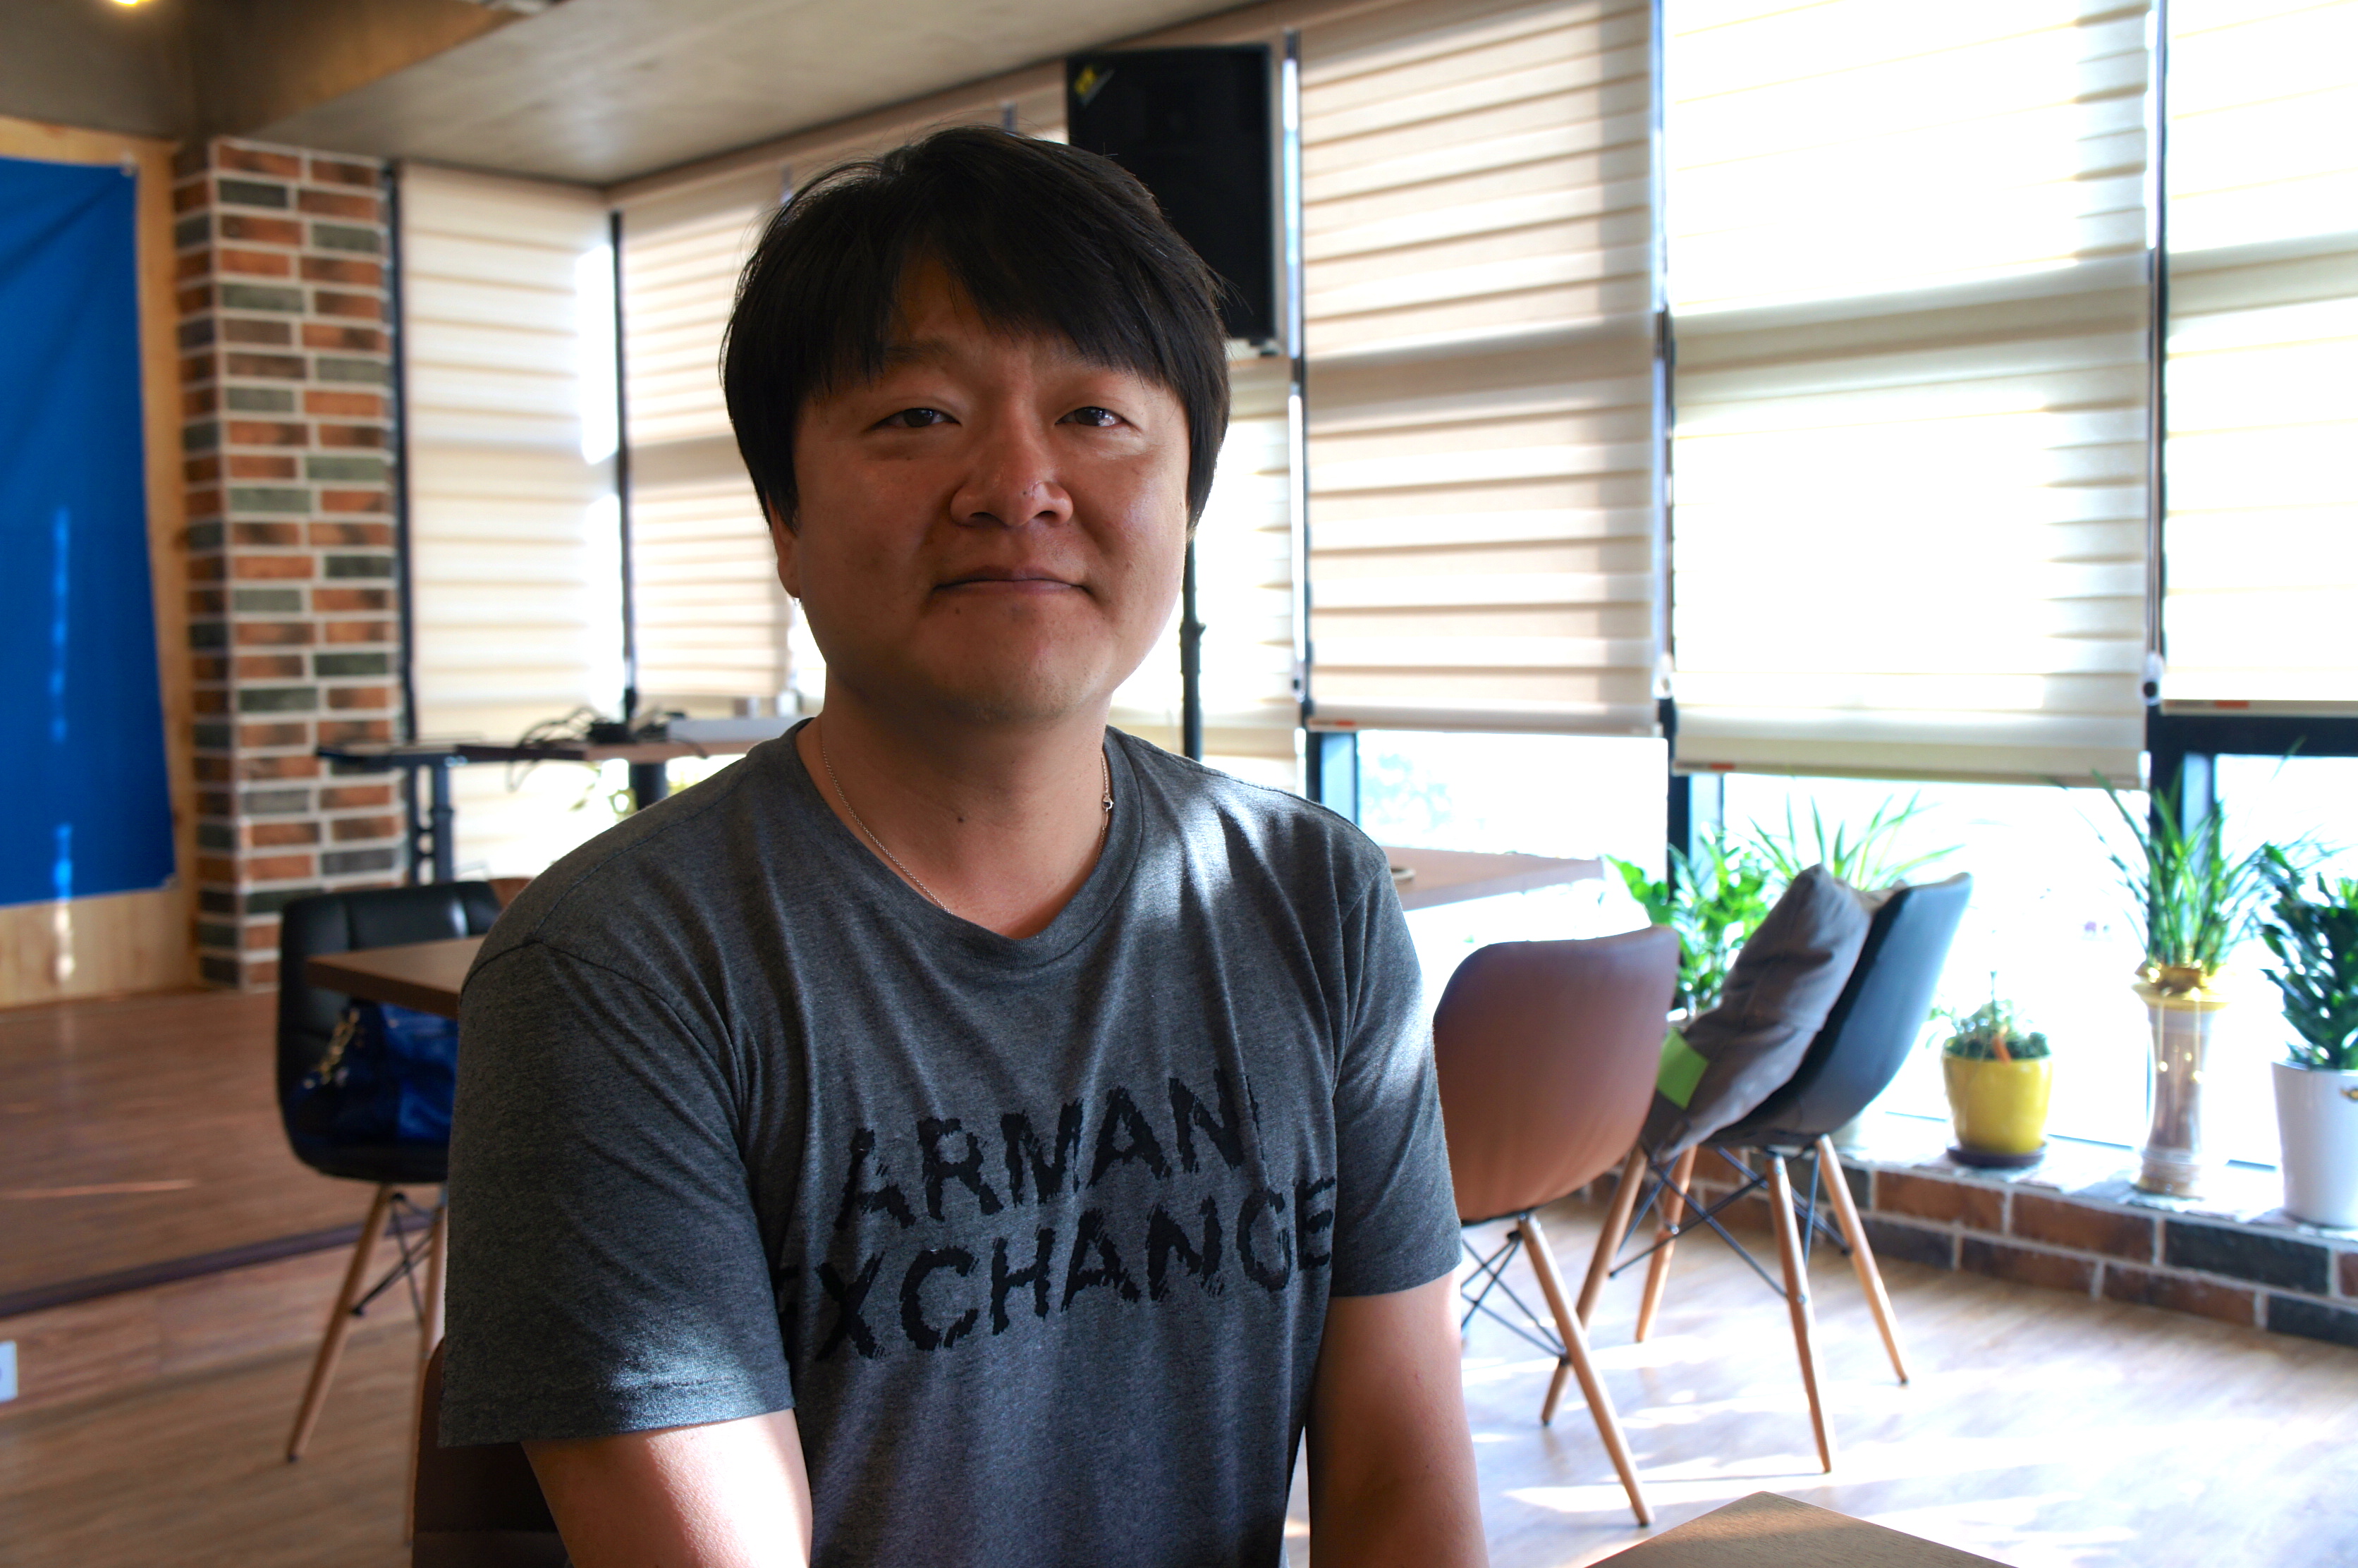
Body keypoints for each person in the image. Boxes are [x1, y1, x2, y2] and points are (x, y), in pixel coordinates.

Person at [441, 125, 1485, 1568]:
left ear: (1186, 499)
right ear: (784, 518)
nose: (1017, 484)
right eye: (918, 415)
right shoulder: (615, 974)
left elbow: (1399, 1490)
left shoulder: (1317, 899)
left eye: (1096, 414)